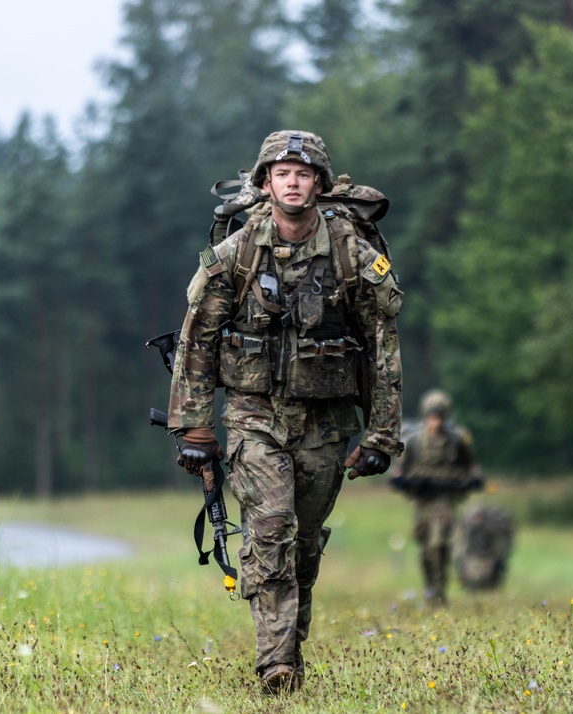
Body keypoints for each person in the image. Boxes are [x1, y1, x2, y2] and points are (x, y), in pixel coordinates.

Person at [166, 130, 404, 695]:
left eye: (302, 174)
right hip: (254, 416)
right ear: (265, 182)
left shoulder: (352, 253)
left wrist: (382, 435)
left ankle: (289, 648)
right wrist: (195, 426)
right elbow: (197, 338)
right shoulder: (238, 252)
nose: (292, 182)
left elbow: (382, 348)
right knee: (270, 529)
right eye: (281, 173)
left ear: (319, 183)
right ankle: (276, 665)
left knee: (302, 541)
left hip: (326, 421)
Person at [391, 389, 482, 608]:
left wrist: (471, 480)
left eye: (440, 416)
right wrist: (402, 480)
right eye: (432, 416)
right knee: (425, 546)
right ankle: (431, 589)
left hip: (446, 499)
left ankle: (440, 590)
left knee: (439, 543)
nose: (436, 421)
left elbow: (471, 467)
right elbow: (400, 470)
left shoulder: (457, 440)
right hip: (422, 500)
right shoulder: (414, 440)